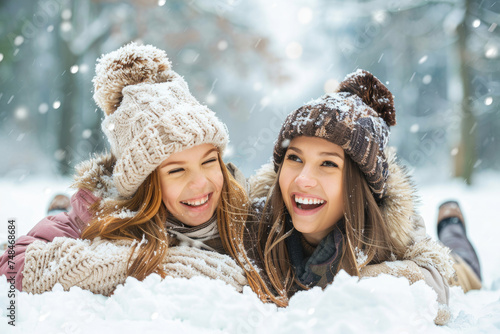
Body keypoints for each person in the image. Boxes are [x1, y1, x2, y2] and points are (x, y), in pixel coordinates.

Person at [0, 42, 269, 297]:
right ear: (145, 184)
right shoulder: (96, 214)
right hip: (84, 227)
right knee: (62, 224)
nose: (201, 183)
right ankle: (57, 212)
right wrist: (157, 260)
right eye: (177, 171)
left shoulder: (241, 207)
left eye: (209, 161)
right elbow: (11, 264)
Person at [247, 70, 458, 325]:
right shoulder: (258, 216)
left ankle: (452, 226)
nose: (303, 179)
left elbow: (433, 291)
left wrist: (343, 281)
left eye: (327, 163)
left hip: (455, 268)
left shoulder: (393, 227)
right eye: (294, 158)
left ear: (358, 184)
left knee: (459, 261)